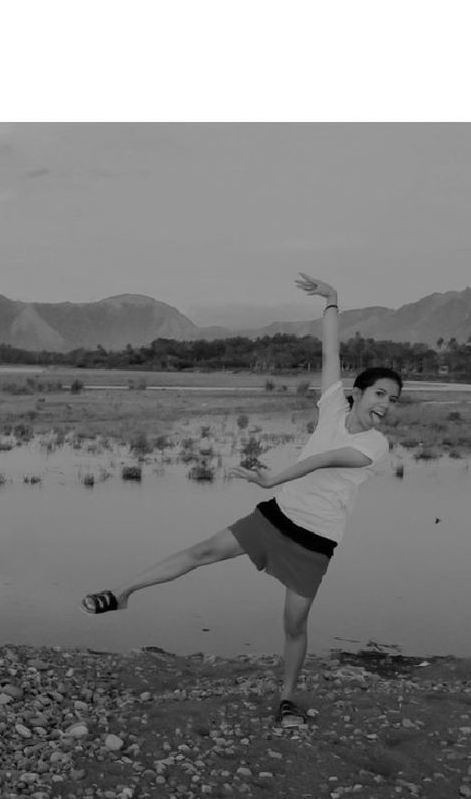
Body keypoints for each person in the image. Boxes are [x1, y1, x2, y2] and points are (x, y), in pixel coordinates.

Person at [81, 273, 403, 725]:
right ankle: (123, 593)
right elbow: (330, 353)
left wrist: (273, 478)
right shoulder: (333, 406)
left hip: (314, 540)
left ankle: (287, 697)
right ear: (359, 393)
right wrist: (332, 300)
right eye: (380, 394)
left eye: (393, 399)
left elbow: (322, 460)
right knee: (201, 551)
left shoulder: (376, 444)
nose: (386, 404)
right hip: (277, 518)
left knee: (293, 625)